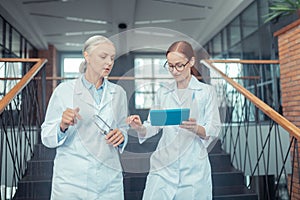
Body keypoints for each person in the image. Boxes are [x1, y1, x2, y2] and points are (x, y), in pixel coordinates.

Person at [127, 41, 221, 199]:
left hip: (193, 168)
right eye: (170, 66)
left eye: (179, 65)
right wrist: (139, 128)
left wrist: (196, 128)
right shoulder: (163, 92)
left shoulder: (206, 92)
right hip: (163, 165)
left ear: (191, 62)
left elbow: (214, 128)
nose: (174, 71)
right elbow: (153, 126)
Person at [41, 35, 128, 199]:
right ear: (87, 55)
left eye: (112, 58)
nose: (109, 62)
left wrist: (121, 136)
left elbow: (123, 127)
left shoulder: (118, 93)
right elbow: (46, 136)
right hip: (72, 182)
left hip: (109, 180)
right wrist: (62, 125)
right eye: (103, 56)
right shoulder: (64, 91)